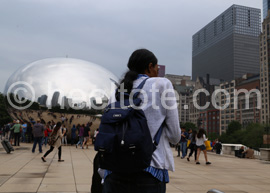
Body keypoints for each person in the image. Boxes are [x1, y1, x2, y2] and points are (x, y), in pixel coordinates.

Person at [102, 49, 181, 193]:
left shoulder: (118, 91)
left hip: (113, 170)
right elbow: (175, 136)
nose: (158, 71)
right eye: (157, 67)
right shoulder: (162, 84)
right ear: (150, 66)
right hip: (149, 170)